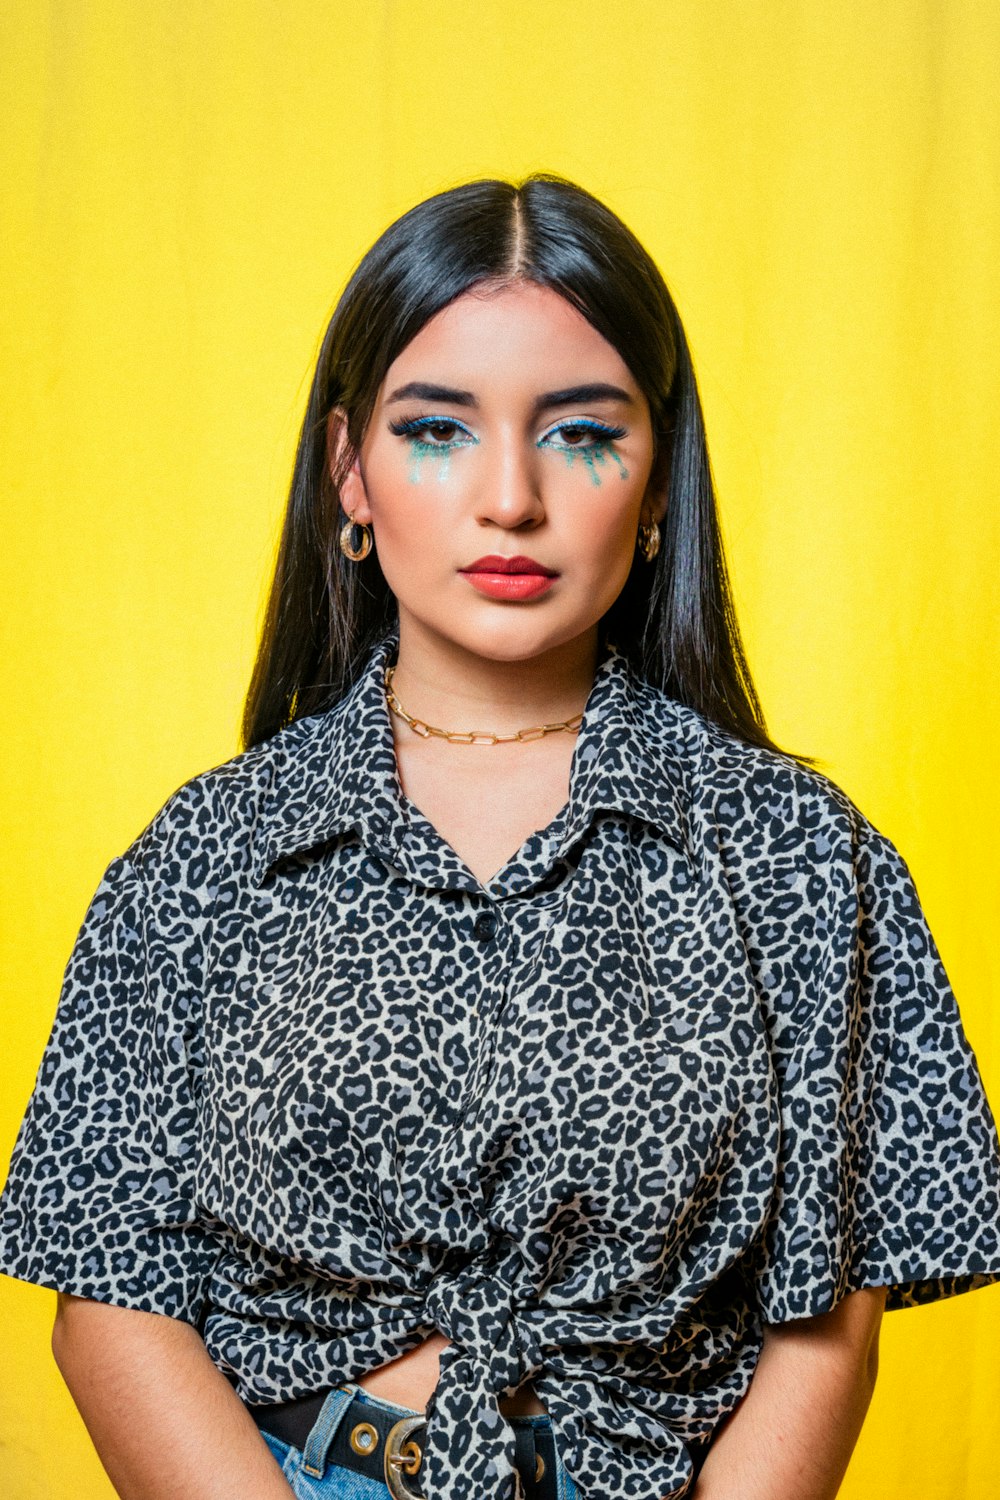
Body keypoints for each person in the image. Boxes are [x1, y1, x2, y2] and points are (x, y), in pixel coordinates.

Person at [1, 174, 998, 1500]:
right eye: (437, 431)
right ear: (350, 471)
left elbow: (828, 1323)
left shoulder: (802, 859)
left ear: (658, 484)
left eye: (583, 434)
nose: (512, 498)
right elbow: (107, 1301)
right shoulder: (204, 857)